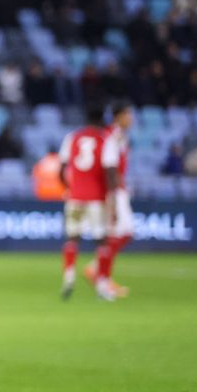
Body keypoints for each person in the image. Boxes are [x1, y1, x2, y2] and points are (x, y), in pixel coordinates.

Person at [59, 104, 119, 301]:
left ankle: (68, 278)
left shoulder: (72, 137)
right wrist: (113, 199)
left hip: (74, 196)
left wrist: (70, 187)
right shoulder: (105, 139)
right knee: (101, 240)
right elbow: (110, 171)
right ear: (102, 119)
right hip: (96, 199)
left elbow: (61, 169)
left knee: (72, 237)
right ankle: (102, 284)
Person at [85, 104, 135, 296]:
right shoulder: (112, 136)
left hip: (115, 191)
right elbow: (109, 168)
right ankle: (102, 278)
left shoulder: (117, 135)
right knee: (119, 233)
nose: (131, 118)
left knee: (121, 233)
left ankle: (98, 271)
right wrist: (112, 196)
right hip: (113, 192)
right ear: (118, 116)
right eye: (128, 114)